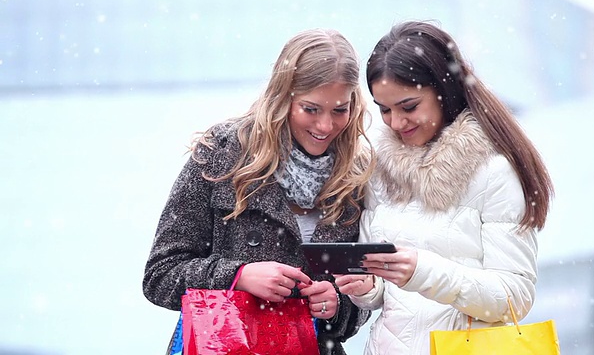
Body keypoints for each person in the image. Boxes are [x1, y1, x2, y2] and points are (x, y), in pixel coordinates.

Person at [142, 28, 374, 355]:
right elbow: (160, 276)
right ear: (284, 97)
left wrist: (338, 305)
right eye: (311, 109)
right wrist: (239, 276)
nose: (326, 126)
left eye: (340, 110)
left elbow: (363, 297)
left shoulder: (356, 177)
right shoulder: (221, 155)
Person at [335, 20, 554, 354]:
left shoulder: (494, 171)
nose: (396, 122)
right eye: (384, 110)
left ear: (444, 89)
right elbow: (386, 293)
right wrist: (367, 287)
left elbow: (514, 296)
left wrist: (422, 271)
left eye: (409, 106)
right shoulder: (379, 169)